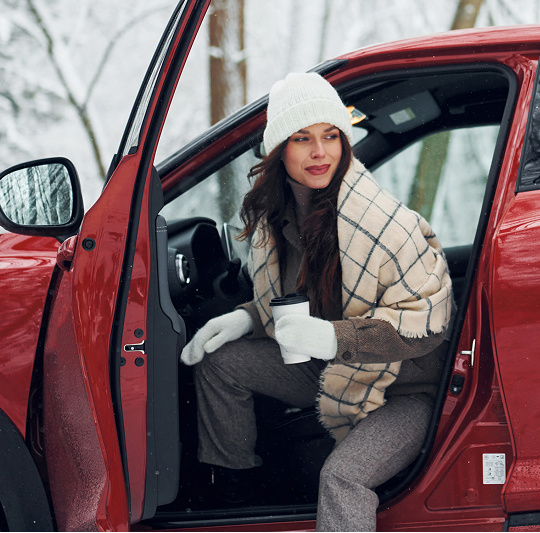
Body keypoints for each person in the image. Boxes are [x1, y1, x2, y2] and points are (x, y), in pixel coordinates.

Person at [181, 72, 453, 531]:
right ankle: (236, 497)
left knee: (342, 478)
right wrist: (248, 319)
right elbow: (293, 303)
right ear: (278, 149)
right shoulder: (279, 220)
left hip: (406, 389)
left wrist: (331, 338)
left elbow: (426, 329)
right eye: (302, 138)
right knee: (220, 362)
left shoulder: (387, 224)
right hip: (334, 368)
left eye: (330, 136)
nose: (320, 151)